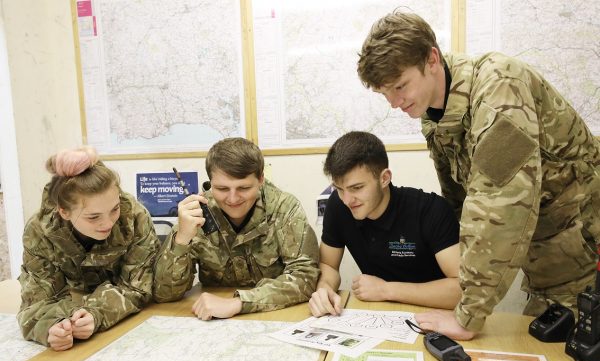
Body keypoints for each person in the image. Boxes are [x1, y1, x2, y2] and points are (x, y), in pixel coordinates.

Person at [357, 10, 600, 339]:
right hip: (545, 257)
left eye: (400, 86)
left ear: (431, 58)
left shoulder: (499, 88)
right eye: (386, 93)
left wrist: (467, 316)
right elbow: (461, 204)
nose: (394, 102)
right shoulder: (435, 116)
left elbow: (499, 205)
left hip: (585, 249)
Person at [153, 137, 320, 319]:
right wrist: (182, 238)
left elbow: (305, 277)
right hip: (213, 321)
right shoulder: (198, 213)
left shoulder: (284, 208)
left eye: (244, 188)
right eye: (222, 189)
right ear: (210, 182)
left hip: (275, 315)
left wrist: (239, 303)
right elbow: (165, 294)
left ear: (261, 179)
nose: (233, 199)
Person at [17, 147, 160, 351]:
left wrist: (96, 313)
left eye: (114, 209)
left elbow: (138, 287)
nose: (108, 222)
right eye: (93, 217)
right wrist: (53, 327)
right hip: (73, 309)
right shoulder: (39, 231)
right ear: (64, 212)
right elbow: (37, 300)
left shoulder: (134, 216)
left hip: (123, 323)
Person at [309, 131, 461, 317]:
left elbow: (462, 289)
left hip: (436, 315)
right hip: (378, 315)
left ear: (384, 178)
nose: (347, 200)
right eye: (340, 189)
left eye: (357, 188)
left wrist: (386, 290)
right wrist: (324, 289)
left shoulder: (431, 210)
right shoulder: (338, 205)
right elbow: (328, 265)